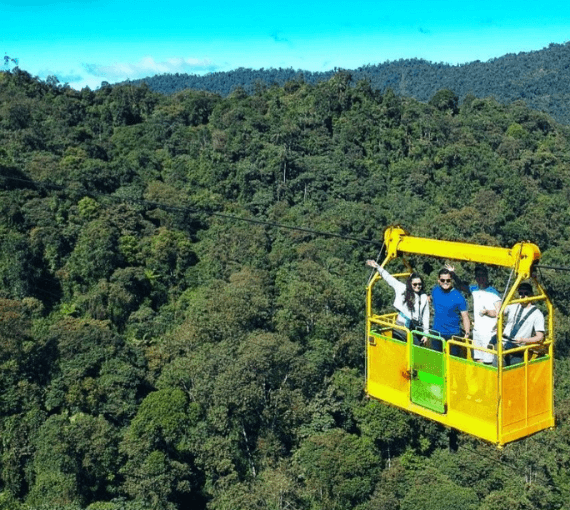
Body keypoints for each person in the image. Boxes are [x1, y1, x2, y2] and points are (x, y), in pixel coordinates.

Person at [447, 265, 501, 363]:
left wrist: (488, 312)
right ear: (475, 277)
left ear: (487, 276)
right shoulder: (474, 289)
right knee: (478, 359)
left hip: (489, 332)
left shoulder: (494, 293)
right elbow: (461, 285)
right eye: (478, 276)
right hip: (477, 331)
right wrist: (453, 274)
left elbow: (499, 312)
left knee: (488, 361)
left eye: (482, 275)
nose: (480, 278)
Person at [366, 260, 429, 344]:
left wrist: (426, 334)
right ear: (410, 284)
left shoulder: (423, 297)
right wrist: (377, 266)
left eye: (419, 284)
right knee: (402, 348)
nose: (417, 286)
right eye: (415, 284)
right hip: (401, 325)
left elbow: (425, 316)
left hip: (415, 327)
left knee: (418, 348)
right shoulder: (402, 289)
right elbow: (389, 278)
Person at [492, 282, 545, 366]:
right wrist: (487, 312)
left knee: (513, 375)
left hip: (518, 350)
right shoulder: (513, 306)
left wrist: (524, 340)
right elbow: (498, 313)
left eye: (526, 293)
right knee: (497, 370)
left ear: (531, 295)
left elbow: (539, 336)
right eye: (520, 293)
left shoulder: (537, 314)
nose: (523, 296)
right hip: (503, 345)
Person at [431, 267, 470, 355]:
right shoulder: (435, 291)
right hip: (436, 332)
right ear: (438, 280)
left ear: (451, 280)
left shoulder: (458, 296)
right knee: (436, 359)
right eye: (443, 280)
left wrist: (467, 333)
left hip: (453, 335)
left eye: (448, 280)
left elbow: (465, 316)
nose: (445, 282)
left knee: (452, 361)